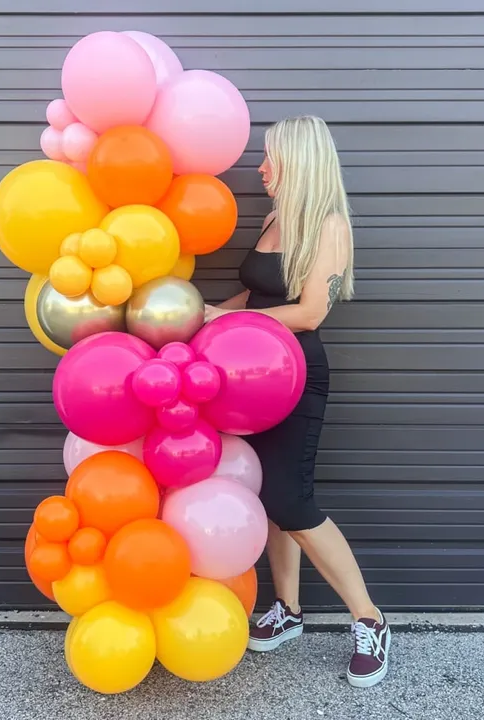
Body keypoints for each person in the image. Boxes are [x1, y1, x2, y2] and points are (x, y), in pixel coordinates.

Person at [204, 115, 390, 688]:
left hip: (295, 377)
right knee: (267, 496)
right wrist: (200, 316)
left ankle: (371, 619)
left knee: (294, 498)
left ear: (300, 162)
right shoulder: (275, 217)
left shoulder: (329, 225)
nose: (260, 167)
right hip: (248, 377)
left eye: (271, 158)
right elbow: (259, 290)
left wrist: (224, 319)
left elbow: (309, 313)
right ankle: (287, 610)